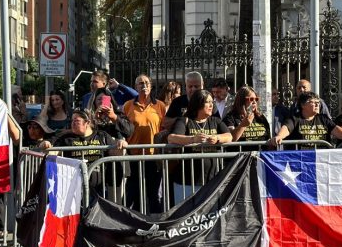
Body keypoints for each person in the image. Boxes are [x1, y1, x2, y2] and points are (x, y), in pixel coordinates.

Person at [40, 110, 128, 201]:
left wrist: (122, 145)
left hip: (98, 188)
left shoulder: (102, 136)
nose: (73, 123)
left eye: (76, 121)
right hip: (73, 187)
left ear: (87, 123)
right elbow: (53, 152)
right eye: (72, 121)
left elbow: (116, 153)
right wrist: (46, 147)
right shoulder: (66, 138)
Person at [168, 90, 233, 203]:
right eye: (207, 102)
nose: (211, 105)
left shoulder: (215, 121)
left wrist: (217, 138)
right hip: (187, 181)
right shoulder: (185, 120)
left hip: (211, 180)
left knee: (210, 212)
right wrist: (193, 139)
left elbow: (229, 136)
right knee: (186, 212)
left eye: (212, 102)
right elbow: (172, 138)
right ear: (198, 104)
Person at [123, 74, 166, 212]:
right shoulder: (128, 105)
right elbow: (122, 127)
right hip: (134, 157)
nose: (144, 85)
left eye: (147, 83)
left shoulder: (160, 105)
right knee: (133, 193)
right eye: (141, 83)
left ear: (151, 86)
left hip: (153, 156)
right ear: (136, 87)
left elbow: (164, 128)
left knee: (154, 194)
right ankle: (133, 221)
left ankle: (154, 222)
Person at [270, 91, 342, 148]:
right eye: (313, 102)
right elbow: (287, 128)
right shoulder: (295, 118)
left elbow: (335, 129)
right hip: (301, 159)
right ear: (303, 105)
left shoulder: (323, 118)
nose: (317, 105)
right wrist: (279, 136)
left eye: (318, 102)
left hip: (321, 159)